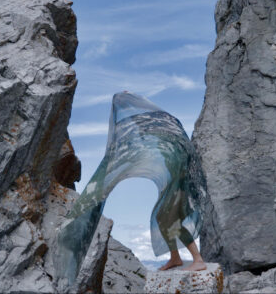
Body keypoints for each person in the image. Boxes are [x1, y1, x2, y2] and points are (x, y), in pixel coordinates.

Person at [55, 91, 207, 289]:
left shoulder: (170, 138)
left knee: (172, 220)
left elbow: (182, 163)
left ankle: (198, 260)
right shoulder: (159, 139)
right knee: (162, 218)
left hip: (180, 187)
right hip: (175, 185)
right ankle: (175, 257)